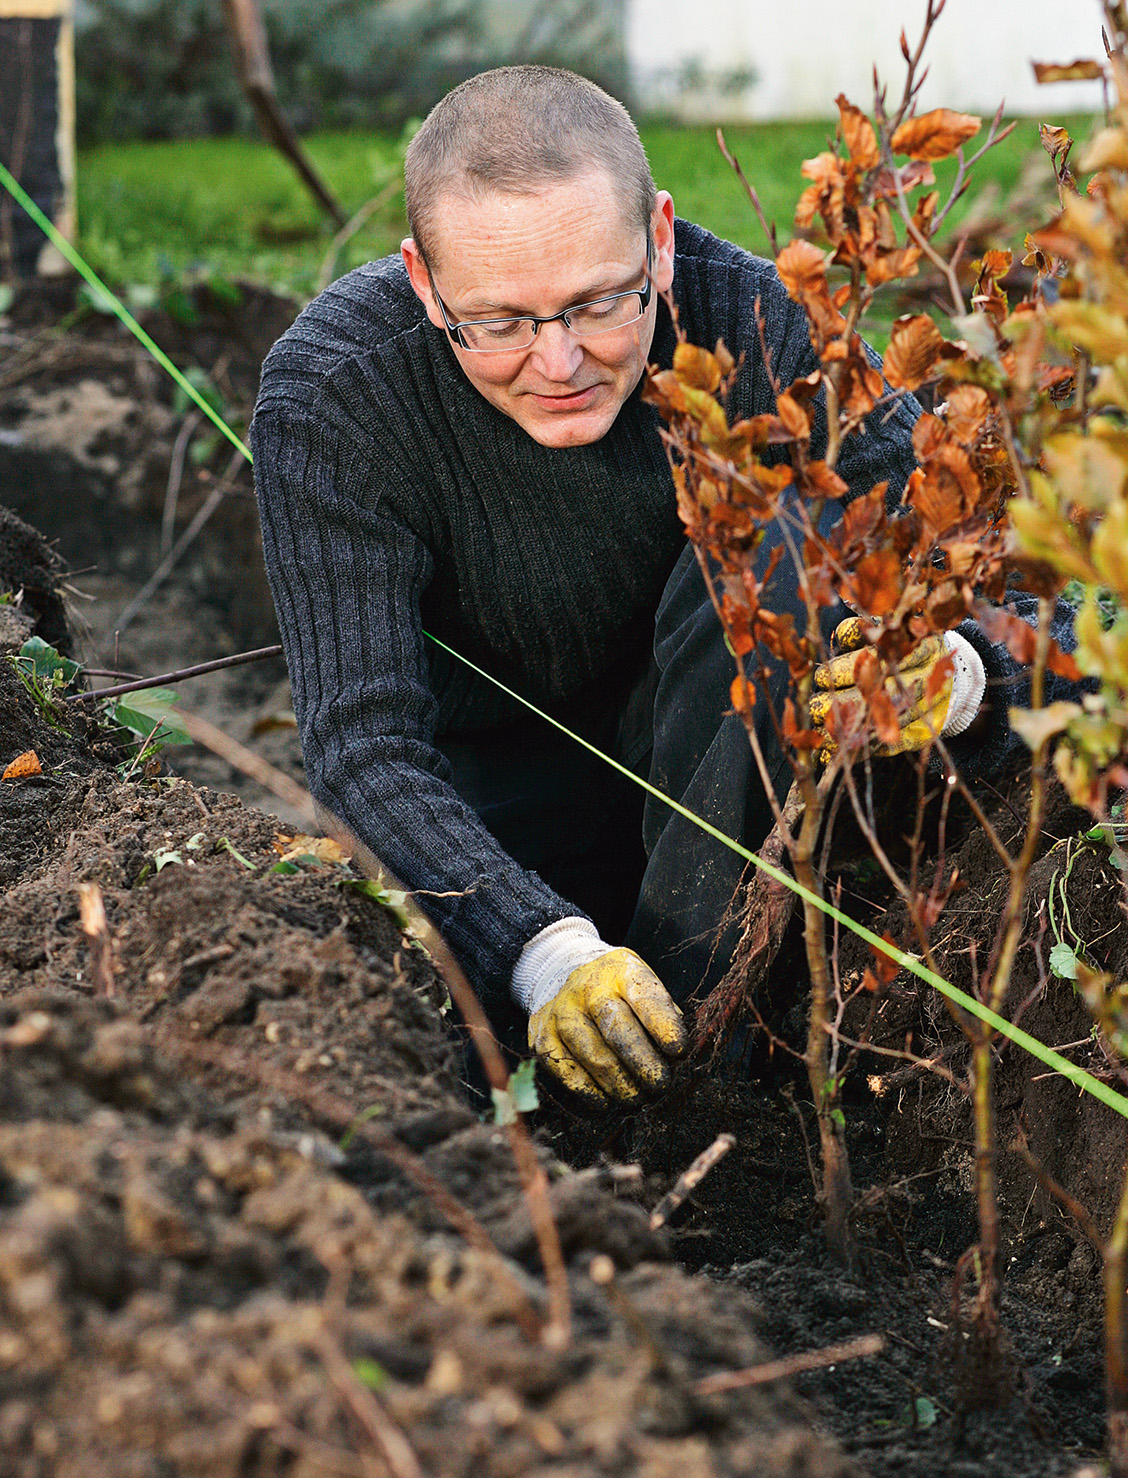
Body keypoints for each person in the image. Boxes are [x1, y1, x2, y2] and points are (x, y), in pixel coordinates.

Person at [251, 65, 1040, 1108]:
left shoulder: (756, 325)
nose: (559, 360)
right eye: (497, 322)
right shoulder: (336, 392)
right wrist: (543, 952)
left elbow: (1019, 601)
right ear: (422, 278)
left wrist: (960, 670)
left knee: (783, 540)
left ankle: (708, 1067)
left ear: (659, 238)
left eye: (597, 302)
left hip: (727, 788)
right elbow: (361, 745)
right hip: (490, 820)